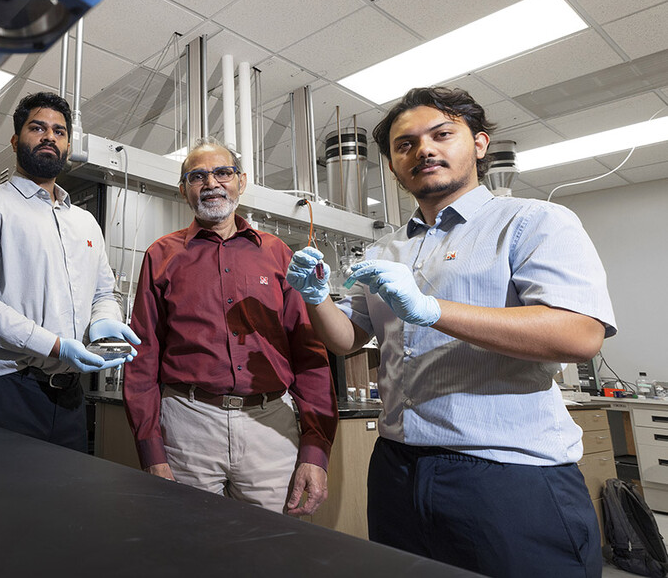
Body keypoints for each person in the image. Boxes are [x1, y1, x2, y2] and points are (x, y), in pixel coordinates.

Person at [288, 87, 615, 577]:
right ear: (395, 167)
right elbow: (349, 339)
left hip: (508, 475)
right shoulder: (383, 251)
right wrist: (314, 300)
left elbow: (580, 333)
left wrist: (431, 309)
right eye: (405, 145)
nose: (424, 150)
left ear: (479, 144)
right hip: (397, 467)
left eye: (442, 134)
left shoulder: (531, 222)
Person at [123, 137, 337, 515]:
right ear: (183, 189)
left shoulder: (277, 254)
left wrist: (316, 450)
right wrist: (151, 450)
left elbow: (308, 352)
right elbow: (143, 356)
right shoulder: (161, 255)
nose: (211, 183)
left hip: (270, 426)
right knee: (188, 547)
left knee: (274, 550)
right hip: (188, 425)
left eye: (223, 172)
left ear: (241, 181)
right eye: (197, 176)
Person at [0, 91, 139, 452]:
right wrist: (55, 345)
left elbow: (103, 294)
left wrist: (103, 320)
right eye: (38, 128)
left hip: (69, 398)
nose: (51, 136)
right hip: (4, 391)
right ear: (17, 140)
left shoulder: (85, 223)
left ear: (66, 147)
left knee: (63, 506)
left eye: (60, 132)